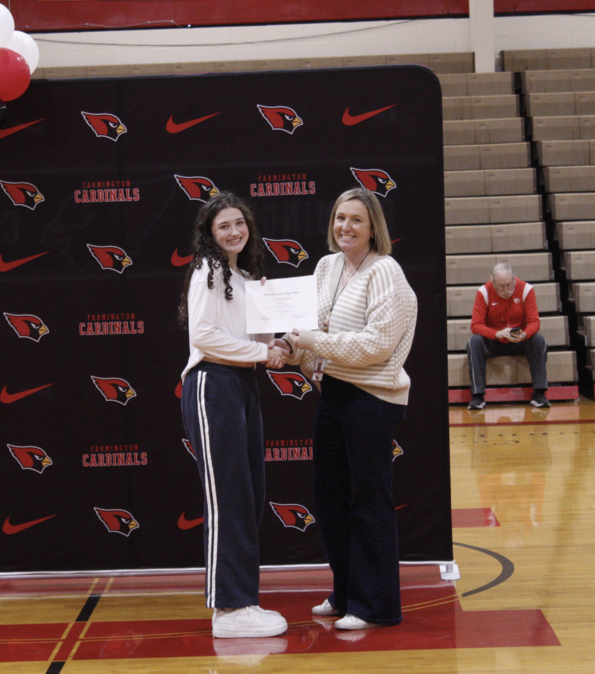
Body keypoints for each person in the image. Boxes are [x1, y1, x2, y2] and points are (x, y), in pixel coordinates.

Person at [284, 187, 417, 630]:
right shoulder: (326, 266)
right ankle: (345, 594)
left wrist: (308, 342)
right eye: (341, 218)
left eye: (356, 220)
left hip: (372, 401)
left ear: (373, 226)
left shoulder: (385, 271)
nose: (346, 227)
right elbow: (312, 334)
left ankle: (375, 605)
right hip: (334, 395)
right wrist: (288, 348)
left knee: (369, 501)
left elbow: (376, 346)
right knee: (331, 499)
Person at [178, 192, 289, 639]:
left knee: (247, 495)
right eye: (223, 226)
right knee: (228, 498)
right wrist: (263, 351)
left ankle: (243, 601)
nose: (233, 232)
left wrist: (278, 340)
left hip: (240, 384)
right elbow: (204, 336)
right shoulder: (208, 269)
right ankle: (229, 608)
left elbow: (258, 343)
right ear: (209, 233)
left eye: (239, 223)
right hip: (212, 383)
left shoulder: (245, 276)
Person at [466, 263, 549, 411]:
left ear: (514, 280)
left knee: (539, 340)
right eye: (501, 286)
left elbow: (535, 322)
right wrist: (496, 334)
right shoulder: (483, 292)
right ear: (492, 282)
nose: (506, 290)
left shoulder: (526, 290)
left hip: (519, 340)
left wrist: (524, 335)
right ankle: (477, 397)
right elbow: (475, 325)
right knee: (474, 342)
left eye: (509, 285)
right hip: (494, 339)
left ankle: (539, 394)